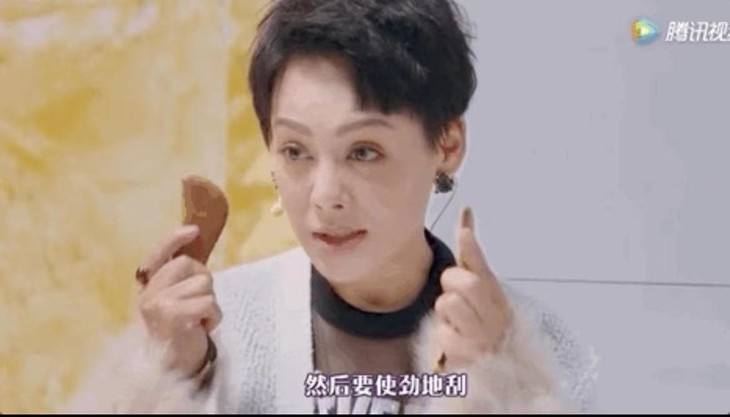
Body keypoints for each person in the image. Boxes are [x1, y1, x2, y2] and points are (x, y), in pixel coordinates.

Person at [59, 0, 598, 414]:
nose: (324, 196)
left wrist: (495, 390)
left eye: (363, 151)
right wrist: (169, 377)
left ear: (447, 143)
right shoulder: (211, 330)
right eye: (296, 151)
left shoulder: (530, 351)